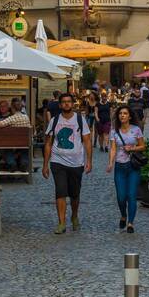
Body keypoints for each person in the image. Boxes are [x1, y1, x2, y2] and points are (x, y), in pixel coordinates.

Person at [41, 91, 92, 234]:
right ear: (60, 104)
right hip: (58, 161)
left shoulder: (80, 119)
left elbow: (87, 141)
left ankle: (74, 216)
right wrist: (45, 164)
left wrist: (89, 161)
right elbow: (48, 143)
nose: (66, 104)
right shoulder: (54, 120)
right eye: (64, 102)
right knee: (60, 191)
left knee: (75, 194)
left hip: (76, 162)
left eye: (69, 102)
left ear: (73, 103)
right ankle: (61, 222)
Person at [108, 104, 145, 233]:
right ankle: (123, 215)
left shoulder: (136, 130)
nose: (122, 115)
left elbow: (142, 146)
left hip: (133, 166)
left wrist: (132, 148)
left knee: (132, 195)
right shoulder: (114, 131)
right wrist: (110, 163)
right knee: (121, 197)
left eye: (125, 113)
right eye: (120, 113)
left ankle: (130, 223)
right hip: (119, 166)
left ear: (129, 116)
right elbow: (113, 148)